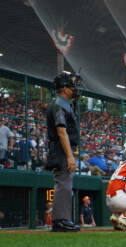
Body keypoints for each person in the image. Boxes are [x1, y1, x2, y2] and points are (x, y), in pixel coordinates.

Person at [45, 72, 81, 232]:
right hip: (60, 149)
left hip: (63, 148)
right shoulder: (59, 105)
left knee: (66, 184)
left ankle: (63, 219)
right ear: (65, 88)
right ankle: (60, 221)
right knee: (63, 183)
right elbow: (61, 131)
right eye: (72, 85)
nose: (75, 88)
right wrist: (69, 156)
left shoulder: (63, 104)